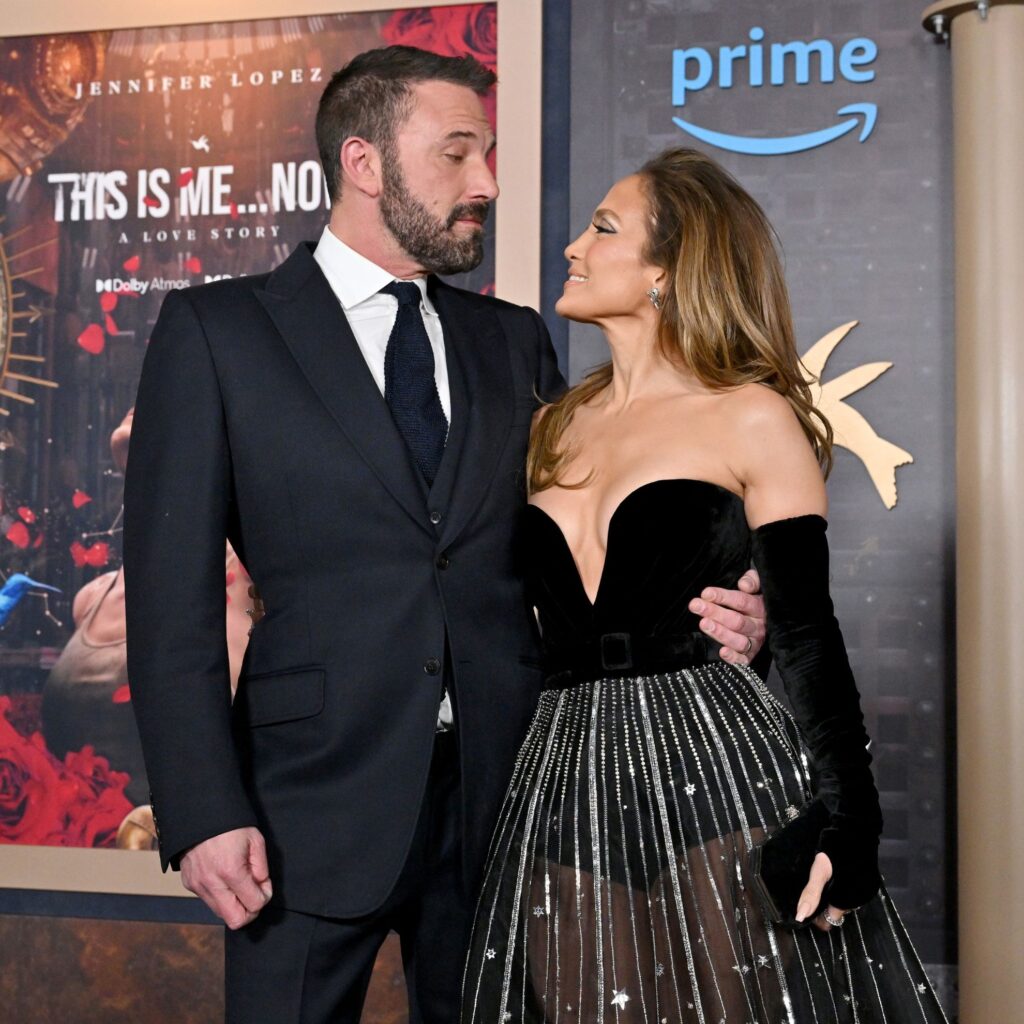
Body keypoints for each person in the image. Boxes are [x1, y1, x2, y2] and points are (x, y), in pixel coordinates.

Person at [123, 50, 765, 1023]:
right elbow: (168, 605)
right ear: (364, 162)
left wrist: (710, 617)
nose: (487, 183)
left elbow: (577, 559)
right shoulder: (217, 334)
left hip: (501, 811)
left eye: (490, 154)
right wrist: (203, 812)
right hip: (302, 813)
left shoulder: (511, 340)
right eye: (456, 152)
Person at [461, 148, 948, 1023]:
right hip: (562, 774)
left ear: (667, 272)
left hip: (712, 766)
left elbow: (807, 637)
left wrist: (851, 823)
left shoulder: (750, 416)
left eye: (604, 228)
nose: (573, 246)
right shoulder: (547, 427)